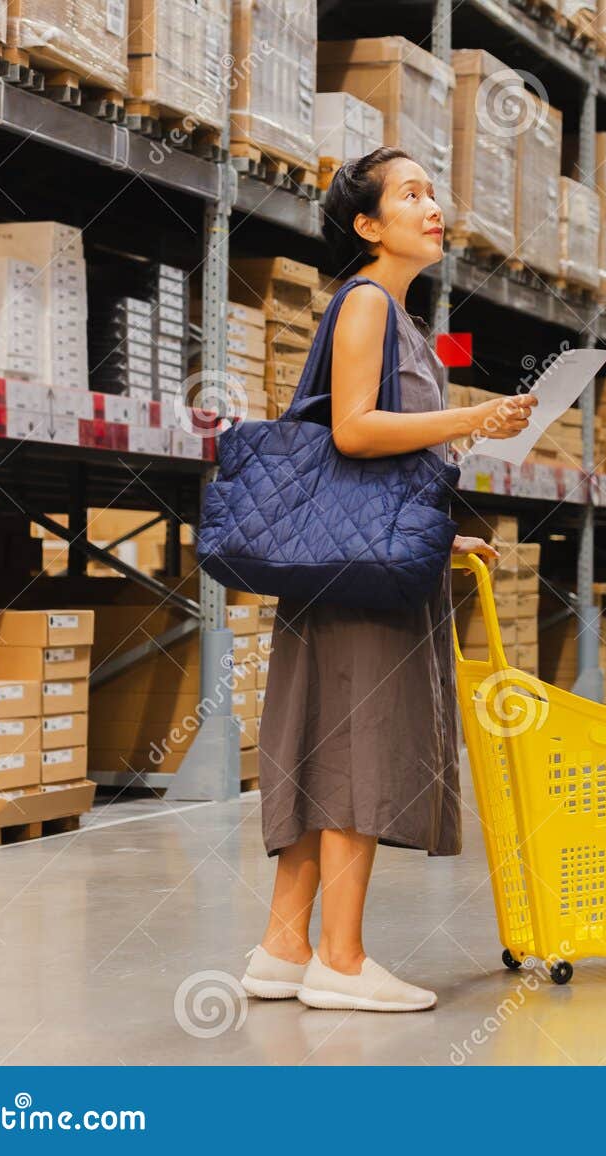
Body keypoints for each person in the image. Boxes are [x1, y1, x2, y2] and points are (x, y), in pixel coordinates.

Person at [240, 147, 536, 1012]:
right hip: (355, 582)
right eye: (411, 194)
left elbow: (378, 473)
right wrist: (478, 415)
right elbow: (356, 433)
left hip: (361, 561)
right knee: (358, 753)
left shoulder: (402, 319)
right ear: (368, 226)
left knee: (326, 744)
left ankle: (282, 948)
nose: (432, 206)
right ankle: (341, 959)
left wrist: (439, 542)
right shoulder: (365, 301)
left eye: (434, 192)